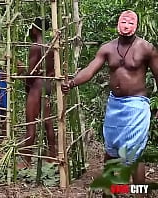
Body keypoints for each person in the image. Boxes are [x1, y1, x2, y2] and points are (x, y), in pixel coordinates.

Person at [62, 10, 158, 186]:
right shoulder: (107, 48)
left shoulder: (146, 48)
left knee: (134, 154)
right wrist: (72, 82)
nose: (127, 25)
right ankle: (109, 192)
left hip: (136, 105)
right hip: (115, 105)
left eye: (131, 22)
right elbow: (90, 70)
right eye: (124, 21)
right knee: (111, 151)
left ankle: (139, 194)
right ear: (118, 24)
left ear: (136, 25)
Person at [19, 17, 56, 168]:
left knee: (31, 123)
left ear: (35, 29)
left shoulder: (35, 47)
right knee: (47, 122)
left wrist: (22, 72)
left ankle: (26, 160)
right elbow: (51, 71)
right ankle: (52, 154)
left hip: (36, 87)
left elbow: (32, 74)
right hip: (47, 85)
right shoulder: (51, 47)